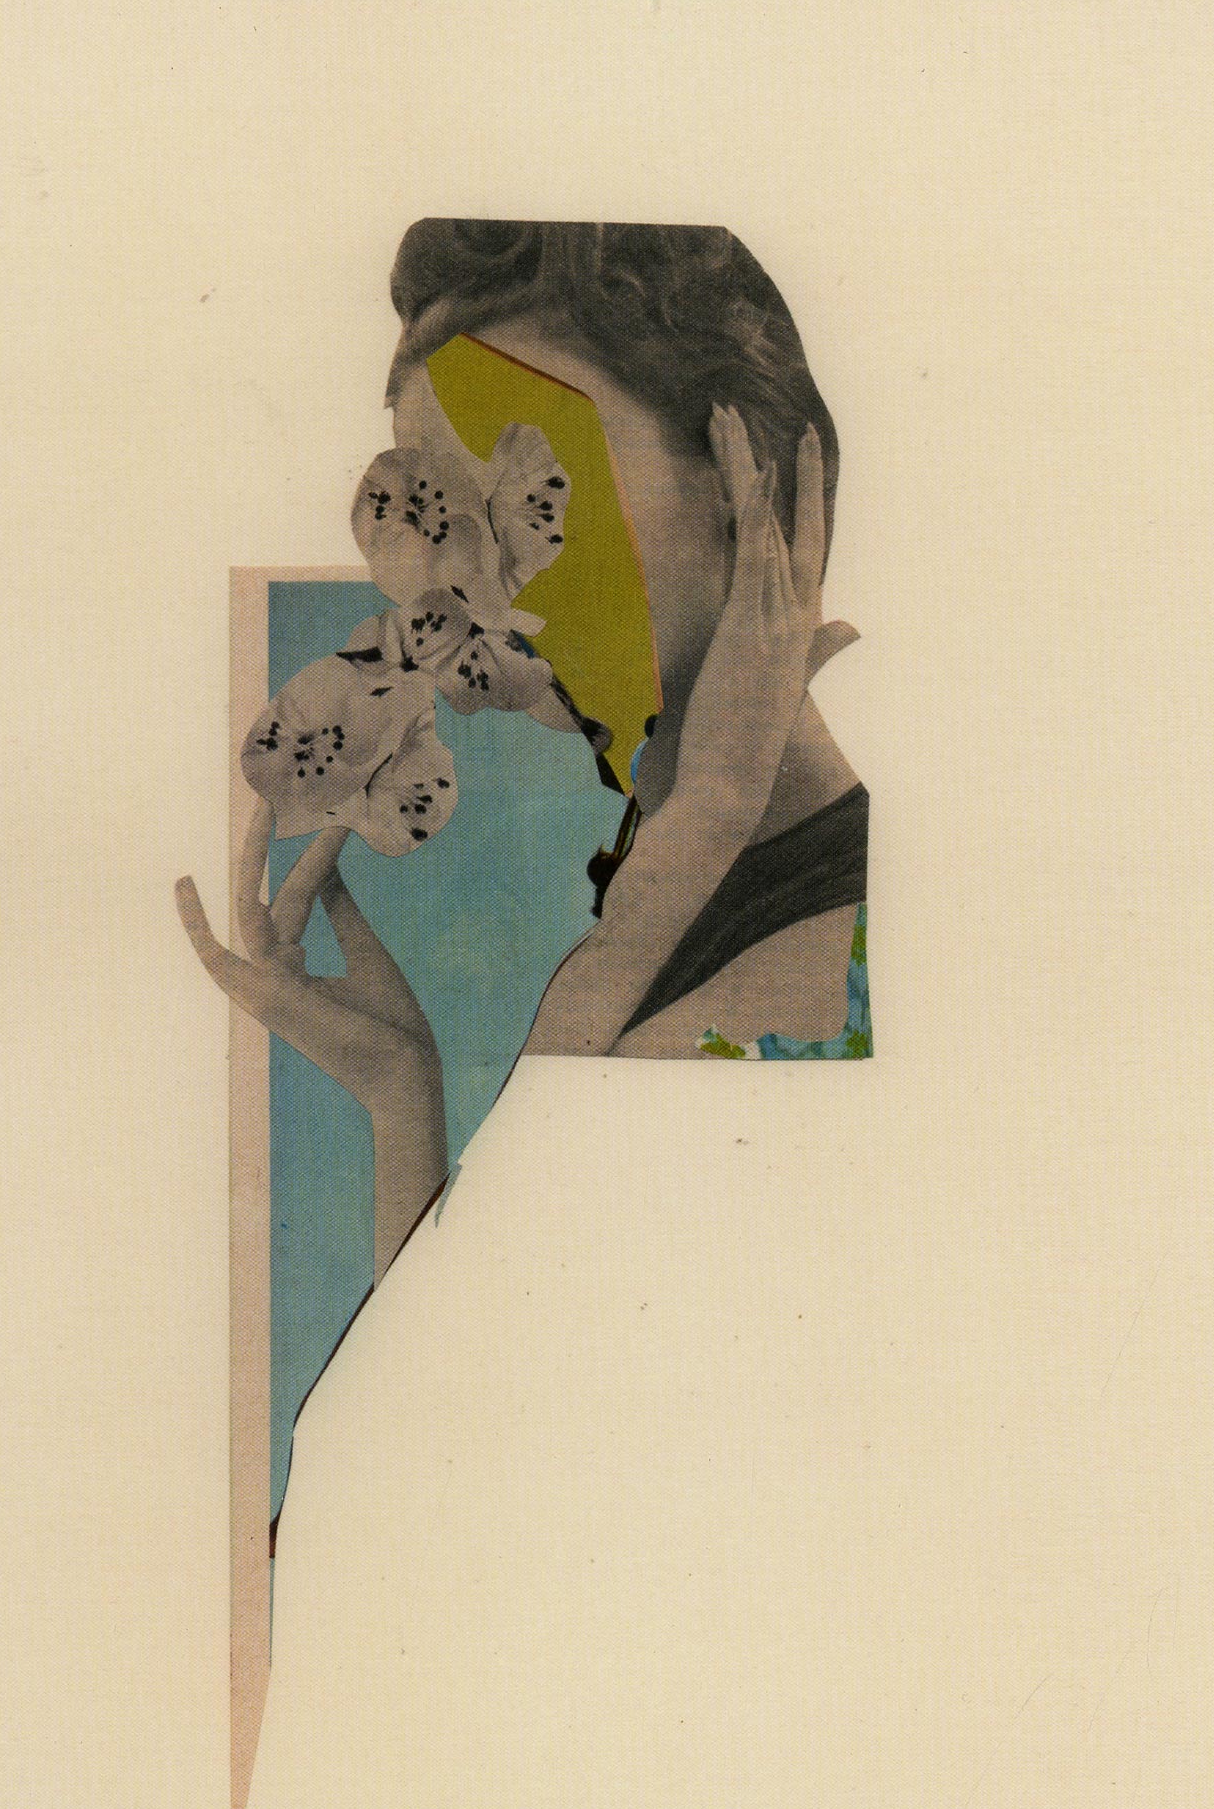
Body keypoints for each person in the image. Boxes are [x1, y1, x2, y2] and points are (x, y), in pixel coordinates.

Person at [177, 221, 866, 1278]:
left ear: (748, 493)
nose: (471, 587)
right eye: (436, 515)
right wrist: (399, 1087)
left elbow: (465, 1350)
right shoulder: (684, 874)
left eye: (538, 488)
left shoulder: (795, 998)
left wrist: (710, 810)